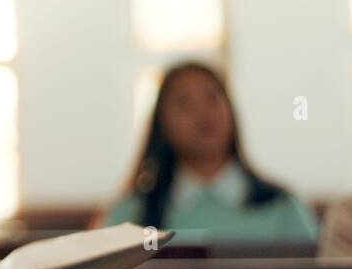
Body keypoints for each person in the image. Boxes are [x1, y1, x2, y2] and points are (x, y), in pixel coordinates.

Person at [102, 61, 319, 244]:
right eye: (184, 103)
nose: (202, 113)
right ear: (162, 124)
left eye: (212, 98)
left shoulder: (283, 207)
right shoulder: (131, 216)